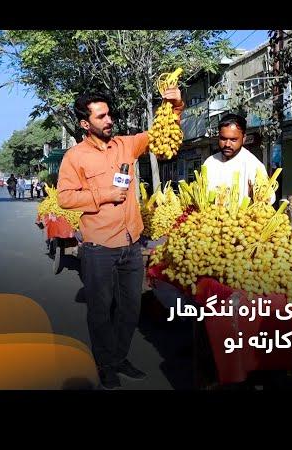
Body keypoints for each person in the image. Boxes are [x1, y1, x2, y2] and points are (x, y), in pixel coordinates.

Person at [57, 87, 184, 390]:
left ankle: (119, 356)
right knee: (101, 311)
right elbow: (64, 198)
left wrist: (176, 106)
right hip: (99, 248)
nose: (109, 120)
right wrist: (105, 195)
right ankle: (105, 364)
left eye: (109, 114)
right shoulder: (75, 157)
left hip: (132, 243)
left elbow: (161, 135)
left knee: (131, 309)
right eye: (101, 116)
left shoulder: (126, 145)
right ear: (85, 124)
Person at [203, 113, 275, 205]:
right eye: (223, 139)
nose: (227, 144)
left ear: (244, 138)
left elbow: (269, 199)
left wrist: (256, 194)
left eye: (233, 140)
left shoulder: (253, 165)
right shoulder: (210, 162)